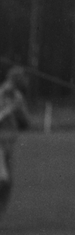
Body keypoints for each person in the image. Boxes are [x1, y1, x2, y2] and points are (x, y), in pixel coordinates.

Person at [0, 64, 31, 218]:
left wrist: (20, 110)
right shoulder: (1, 95)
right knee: (3, 179)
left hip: (9, 144)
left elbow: (26, 123)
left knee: (8, 183)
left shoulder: (17, 97)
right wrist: (9, 109)